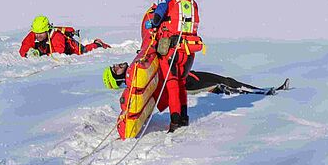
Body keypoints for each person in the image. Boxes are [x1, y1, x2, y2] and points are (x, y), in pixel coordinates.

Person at [143, 0, 203, 132]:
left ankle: (174, 121)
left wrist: (153, 24)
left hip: (171, 50)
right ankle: (184, 118)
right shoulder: (193, 3)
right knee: (182, 83)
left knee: (172, 84)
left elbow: (157, 17)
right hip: (189, 51)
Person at [103, 62, 290, 96]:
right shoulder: (135, 80)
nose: (119, 65)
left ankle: (260, 89)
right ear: (117, 80)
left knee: (226, 79)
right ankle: (264, 92)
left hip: (186, 74)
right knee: (222, 85)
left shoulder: (137, 69)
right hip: (185, 84)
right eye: (115, 69)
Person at [19, 15, 110, 58]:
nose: (38, 35)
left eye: (41, 33)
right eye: (36, 33)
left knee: (85, 50)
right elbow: (24, 46)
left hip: (73, 49)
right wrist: (27, 53)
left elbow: (58, 53)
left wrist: (40, 53)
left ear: (47, 30)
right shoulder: (36, 32)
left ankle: (98, 44)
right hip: (50, 49)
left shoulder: (57, 36)